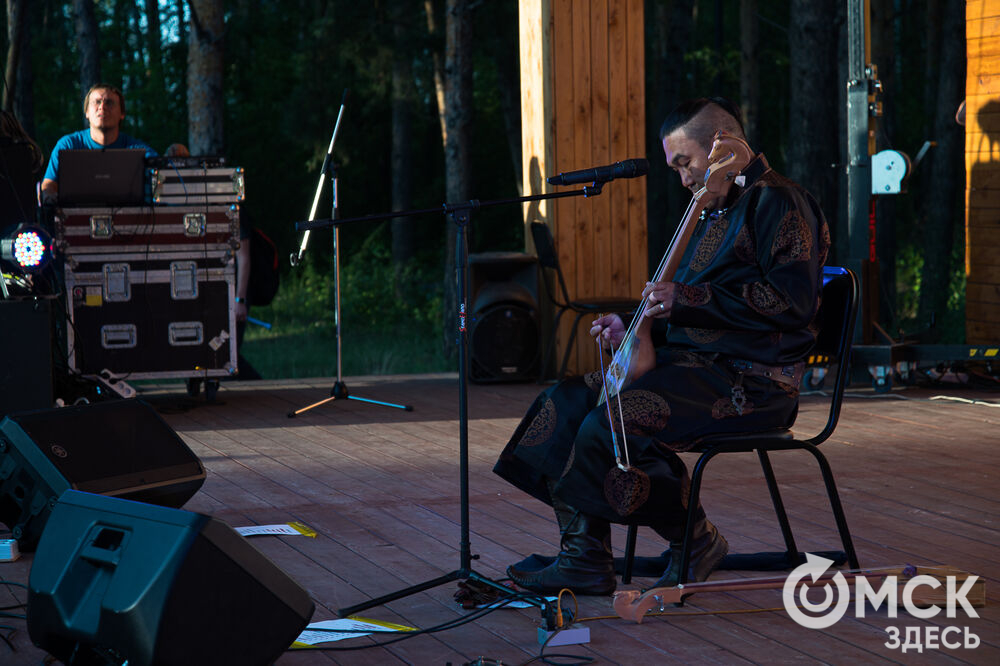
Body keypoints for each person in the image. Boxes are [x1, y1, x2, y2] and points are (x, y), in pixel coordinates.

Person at [493, 97, 831, 596]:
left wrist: (687, 297)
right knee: (564, 403)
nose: (684, 179)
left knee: (616, 422)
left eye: (685, 163)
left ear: (722, 147)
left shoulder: (777, 200)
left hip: (753, 381)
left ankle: (693, 538)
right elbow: (694, 310)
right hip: (691, 369)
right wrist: (634, 327)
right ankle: (583, 557)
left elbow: (795, 302)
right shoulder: (713, 212)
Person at [40, 83, 156, 200]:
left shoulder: (137, 150)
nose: (102, 107)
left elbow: (161, 172)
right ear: (87, 112)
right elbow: (48, 186)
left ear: (122, 114)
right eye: (96, 102)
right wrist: (49, 197)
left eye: (109, 102)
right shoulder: (67, 145)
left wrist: (172, 155)